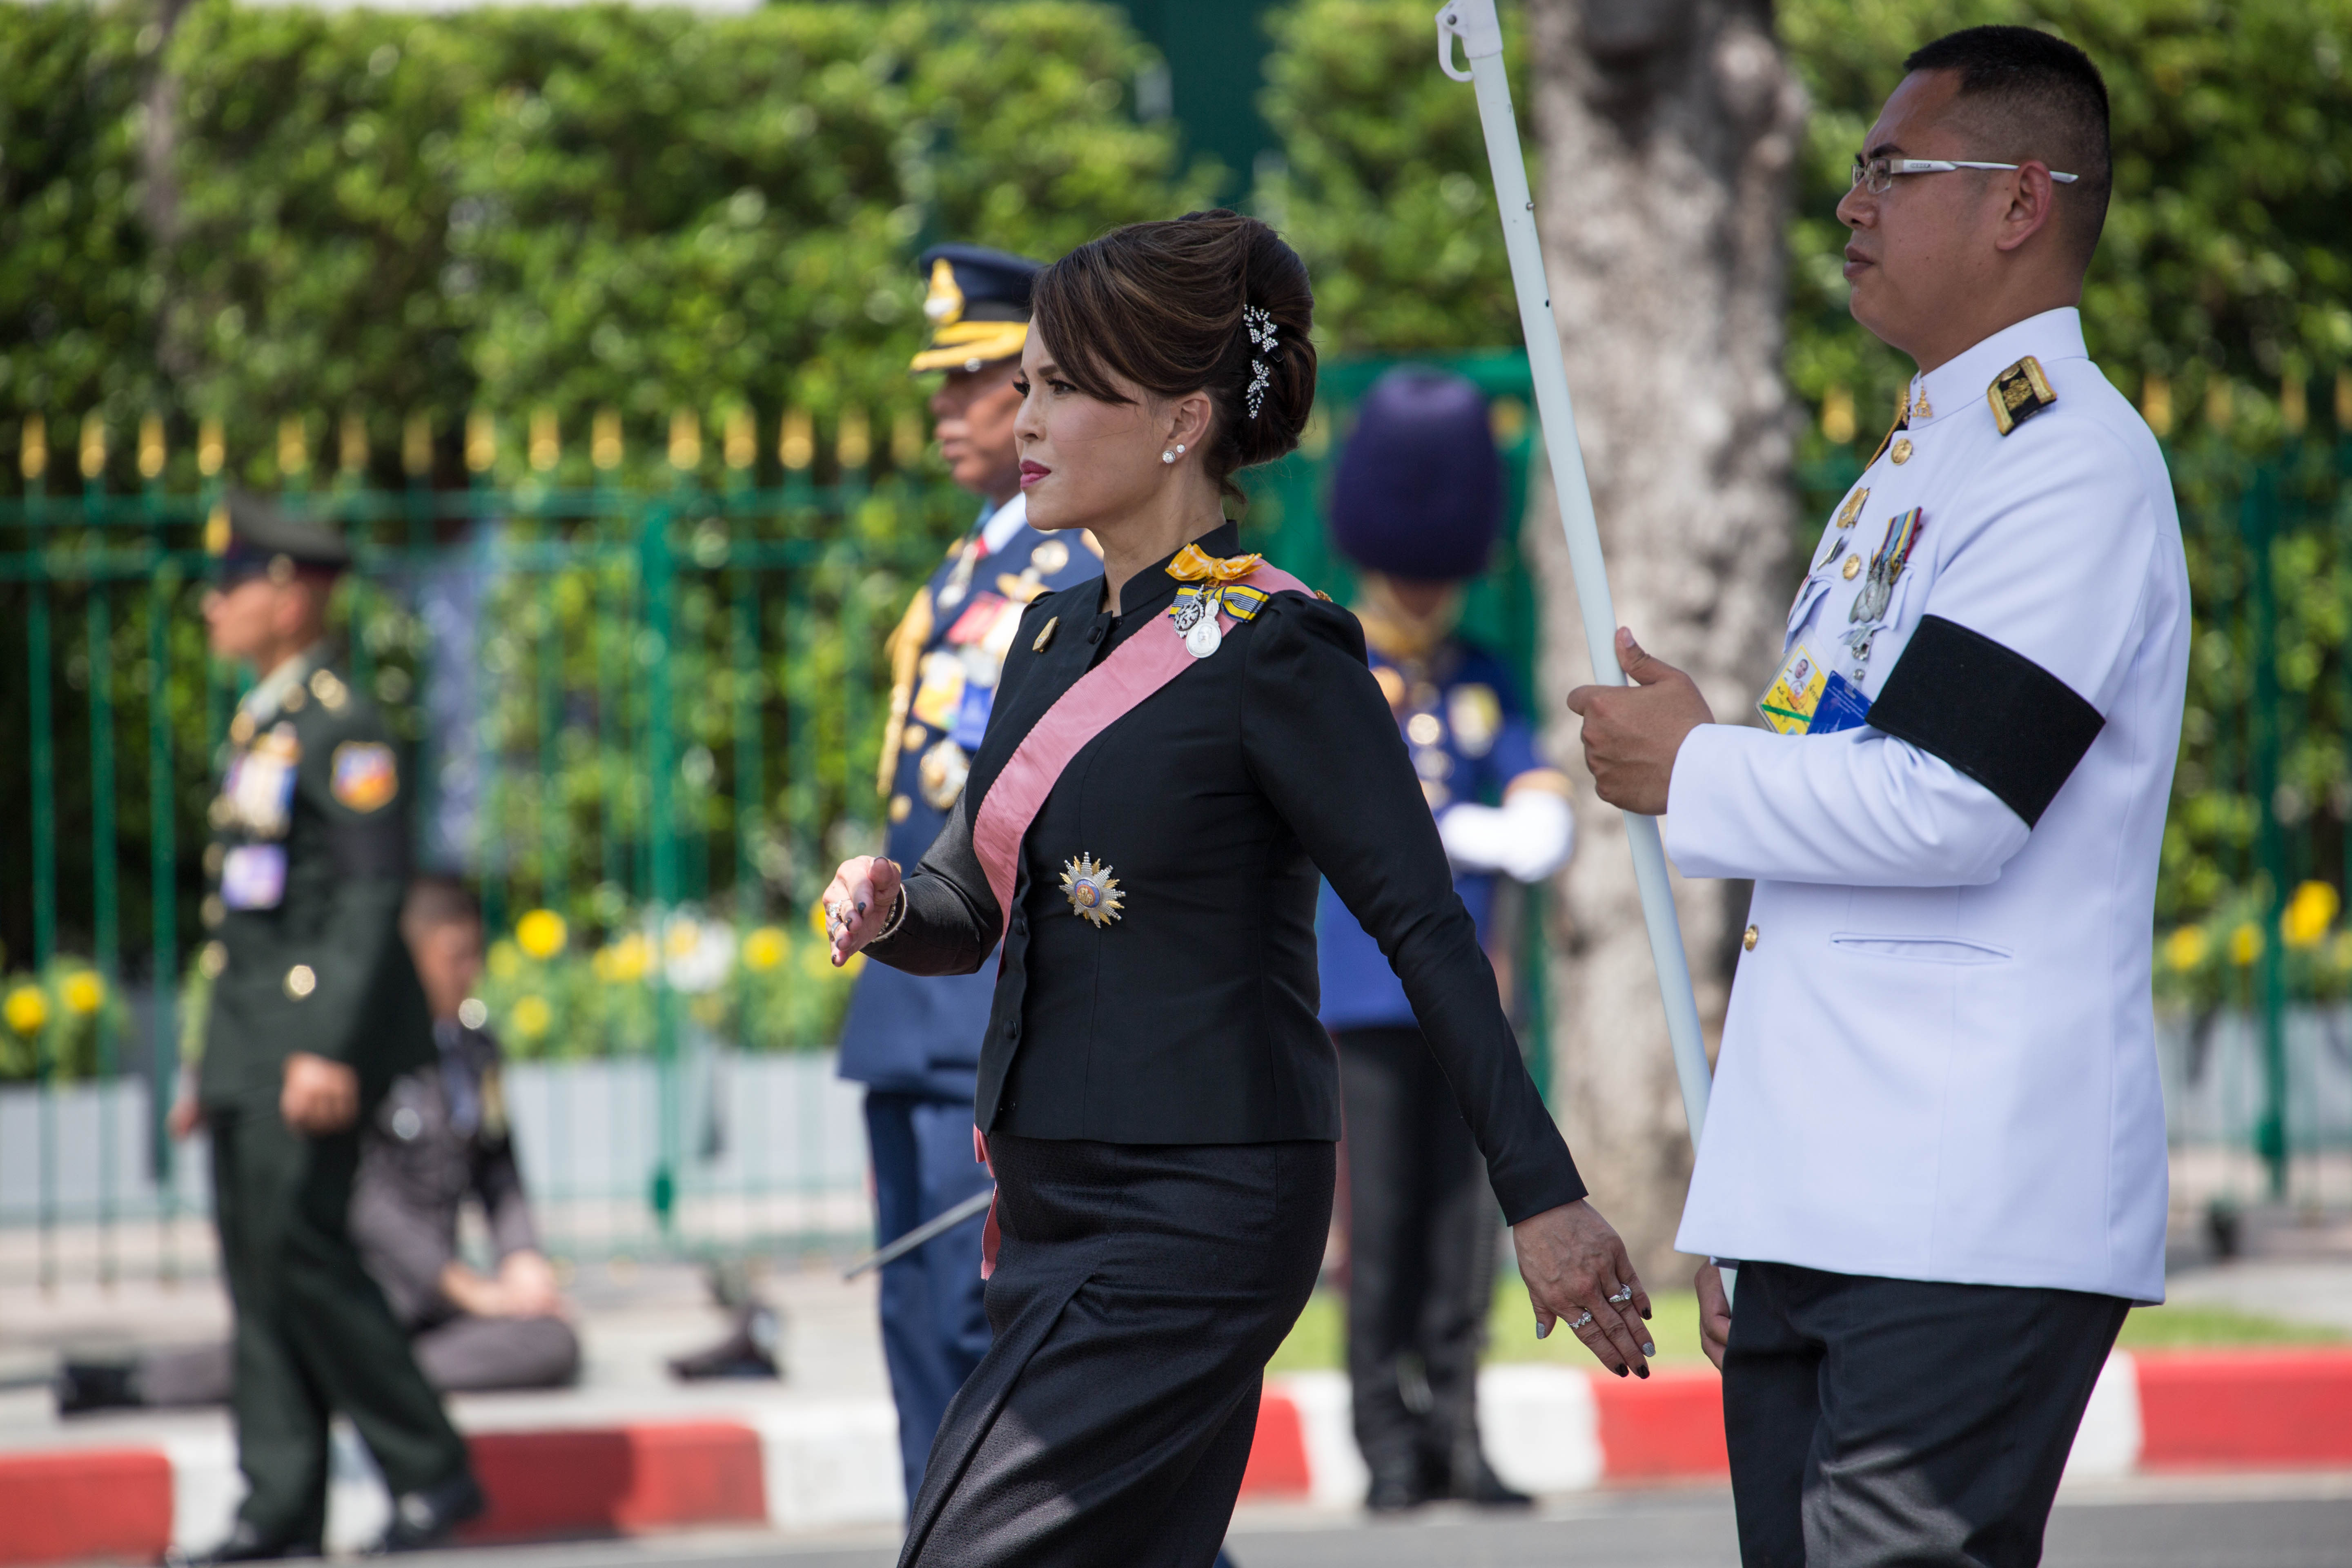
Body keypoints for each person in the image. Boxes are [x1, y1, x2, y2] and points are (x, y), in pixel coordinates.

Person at [821, 209, 1652, 1568]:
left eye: (1063, 387)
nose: (1024, 416)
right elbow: (971, 906)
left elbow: (1425, 929)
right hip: (1050, 1212)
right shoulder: (1046, 634)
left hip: (1193, 1206)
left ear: (1179, 420)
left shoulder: (1281, 650)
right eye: (1023, 382)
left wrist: (1544, 1200)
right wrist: (891, 910)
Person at [1566, 28, 2185, 1568]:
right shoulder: (1911, 471)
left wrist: (1696, 772)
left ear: (2019, 204)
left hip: (1964, 1198)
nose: (1850, 206)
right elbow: (1840, 805)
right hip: (1838, 1200)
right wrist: (1755, 1198)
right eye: (1855, 171)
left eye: (1891, 173)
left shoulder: (2071, 467)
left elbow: (1954, 803)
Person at [837, 241, 1106, 1507]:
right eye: (941, 388)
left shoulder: (1066, 572)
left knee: (988, 1345)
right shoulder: (974, 564)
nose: (950, 410)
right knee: (924, 1336)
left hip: (985, 1007)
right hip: (914, 1008)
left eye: (979, 382)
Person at [181, 495, 483, 1559]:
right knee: (258, 1271)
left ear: (289, 592)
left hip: (304, 1042)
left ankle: (429, 1469)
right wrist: (204, 1058)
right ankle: (281, 1504)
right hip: (249, 1042)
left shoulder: (340, 724)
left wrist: (323, 1046)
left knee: (303, 1255)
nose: (212, 604)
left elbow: (364, 899)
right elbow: (244, 919)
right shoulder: (263, 721)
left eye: (231, 584)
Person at [1314, 368, 1577, 1512]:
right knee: (1380, 1230)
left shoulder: (1476, 674)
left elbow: (1526, 770)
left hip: (1470, 990)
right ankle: (1385, 1439)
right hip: (1365, 989)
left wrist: (1537, 816)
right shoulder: (1333, 665)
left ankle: (1462, 1431)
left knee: (1469, 1226)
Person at [58, 879, 578, 1415]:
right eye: (456, 957)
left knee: (552, 1342)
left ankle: (372, 1379)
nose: (471, 973)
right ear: (408, 957)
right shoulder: (356, 1053)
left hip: (433, 1308)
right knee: (289, 1355)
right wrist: (461, 1285)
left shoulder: (473, 1049)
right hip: (364, 1290)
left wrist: (521, 1258)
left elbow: (497, 1168)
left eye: (476, 955)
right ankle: (139, 1383)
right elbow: (364, 1197)